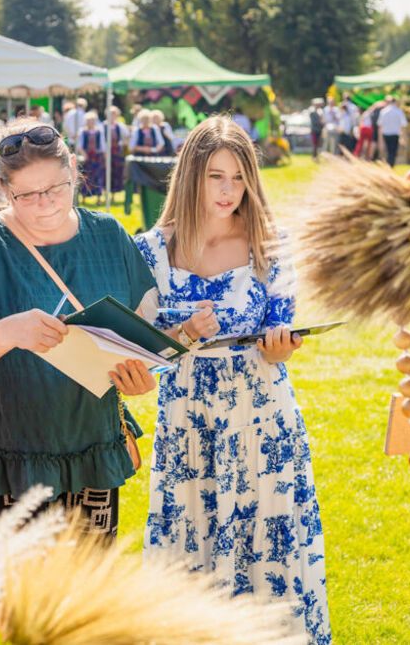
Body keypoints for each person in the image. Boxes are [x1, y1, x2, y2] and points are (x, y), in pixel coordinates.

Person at [132, 115, 330, 643]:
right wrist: (180, 332)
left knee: (268, 548)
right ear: (191, 175)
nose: (228, 190)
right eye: (215, 176)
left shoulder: (272, 246)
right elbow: (139, 348)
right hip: (187, 422)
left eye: (238, 178)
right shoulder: (151, 250)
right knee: (191, 543)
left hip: (260, 419)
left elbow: (281, 325)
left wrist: (281, 344)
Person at [0, 119, 157, 536]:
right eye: (28, 195)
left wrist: (138, 375)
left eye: (57, 188)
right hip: (11, 457)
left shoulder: (108, 234)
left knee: (87, 596)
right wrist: (6, 333)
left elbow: (143, 327)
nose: (47, 203)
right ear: (2, 187)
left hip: (92, 446)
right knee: (17, 598)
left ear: (73, 166)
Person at [76, 111, 106, 200]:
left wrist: (105, 156)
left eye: (92, 120)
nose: (90, 122)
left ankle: (99, 198)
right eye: (89, 120)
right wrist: (84, 154)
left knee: (98, 176)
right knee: (86, 176)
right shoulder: (82, 131)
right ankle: (84, 197)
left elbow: (103, 145)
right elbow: (79, 146)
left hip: (97, 157)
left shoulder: (99, 131)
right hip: (87, 157)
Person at [378, 95, 407, 167]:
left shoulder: (383, 111)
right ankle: (390, 165)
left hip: (386, 133)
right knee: (393, 152)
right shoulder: (399, 111)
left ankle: (388, 164)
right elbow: (403, 124)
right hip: (395, 134)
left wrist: (380, 137)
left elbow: (380, 124)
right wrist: (403, 136)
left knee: (388, 151)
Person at [106, 105, 129, 191]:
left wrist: (121, 143)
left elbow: (127, 137)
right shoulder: (103, 125)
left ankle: (115, 192)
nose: (112, 116)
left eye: (114, 114)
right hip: (107, 152)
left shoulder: (120, 126)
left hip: (117, 152)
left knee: (117, 172)